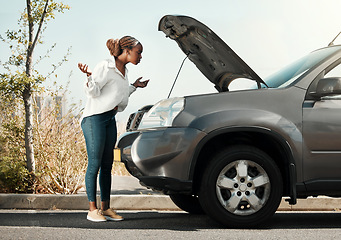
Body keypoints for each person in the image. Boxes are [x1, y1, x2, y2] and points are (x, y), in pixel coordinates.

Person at [78, 36, 149, 222]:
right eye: (138, 52)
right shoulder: (106, 66)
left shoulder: (124, 71)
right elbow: (94, 92)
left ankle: (106, 208)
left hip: (109, 119)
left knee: (107, 165)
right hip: (94, 119)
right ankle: (92, 210)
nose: (140, 56)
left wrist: (134, 86)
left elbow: (119, 94)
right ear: (127, 51)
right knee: (95, 163)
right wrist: (88, 77)